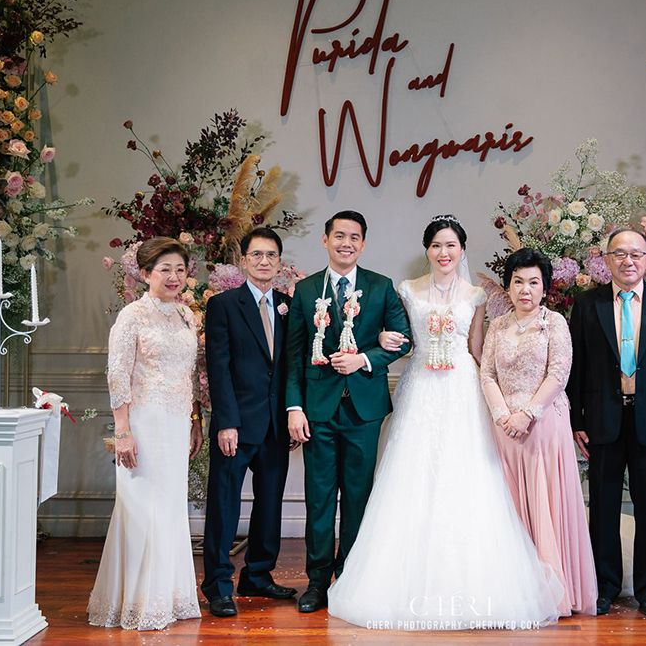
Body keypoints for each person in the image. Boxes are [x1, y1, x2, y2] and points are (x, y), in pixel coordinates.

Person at [326, 216, 565, 630]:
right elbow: (398, 337)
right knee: (412, 476)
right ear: (427, 249)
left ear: (462, 250)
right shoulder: (407, 290)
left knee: (466, 476)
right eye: (437, 245)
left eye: (451, 245)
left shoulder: (475, 295)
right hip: (420, 386)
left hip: (461, 390)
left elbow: (477, 349)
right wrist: (382, 340)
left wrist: (508, 396)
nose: (444, 252)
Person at [285, 210, 413, 614]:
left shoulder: (381, 286)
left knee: (358, 497)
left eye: (354, 237)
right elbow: (294, 356)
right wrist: (294, 407)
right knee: (319, 498)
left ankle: (351, 577)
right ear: (325, 240)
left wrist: (365, 358)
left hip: (364, 410)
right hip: (318, 409)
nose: (346, 243)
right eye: (339, 235)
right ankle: (317, 582)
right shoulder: (306, 290)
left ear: (363, 243)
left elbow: (405, 340)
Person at [567, 228, 646, 618]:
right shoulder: (587, 306)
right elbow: (576, 367)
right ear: (606, 260)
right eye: (619, 254)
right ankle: (604, 588)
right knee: (603, 509)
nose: (628, 261)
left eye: (636, 254)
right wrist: (575, 420)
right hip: (602, 419)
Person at [88, 237, 204, 630]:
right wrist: (122, 432)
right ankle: (138, 600)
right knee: (142, 507)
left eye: (180, 269)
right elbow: (117, 375)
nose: (174, 277)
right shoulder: (132, 316)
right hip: (143, 422)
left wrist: (194, 420)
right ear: (145, 273)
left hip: (176, 422)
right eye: (164, 269)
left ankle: (169, 596)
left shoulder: (186, 315)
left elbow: (189, 374)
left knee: (170, 508)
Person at [479, 247, 597, 616]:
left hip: (543, 424)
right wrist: (503, 415)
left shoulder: (555, 323)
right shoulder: (497, 326)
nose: (525, 289)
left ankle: (553, 591)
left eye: (533, 282)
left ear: (545, 288)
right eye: (518, 282)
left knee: (546, 504)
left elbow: (558, 374)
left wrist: (527, 414)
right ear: (508, 286)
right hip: (504, 429)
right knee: (511, 506)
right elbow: (487, 375)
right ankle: (517, 589)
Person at [201, 227, 296, 618]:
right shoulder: (223, 305)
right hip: (236, 425)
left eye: (271, 255)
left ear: (279, 262)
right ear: (243, 261)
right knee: (224, 505)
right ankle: (218, 585)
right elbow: (218, 367)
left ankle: (257, 574)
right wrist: (226, 422)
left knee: (270, 504)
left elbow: (291, 367)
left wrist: (293, 414)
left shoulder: (289, 305)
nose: (264, 261)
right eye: (256, 254)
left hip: (276, 424)